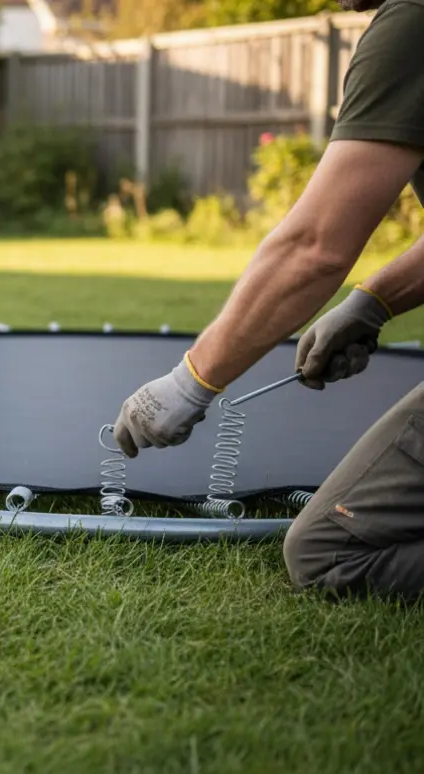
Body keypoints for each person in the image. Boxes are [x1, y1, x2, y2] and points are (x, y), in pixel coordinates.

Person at [111, 0, 424, 600]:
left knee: (327, 553)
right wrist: (374, 302)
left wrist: (188, 385)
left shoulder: (413, 23)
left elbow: (314, 248)